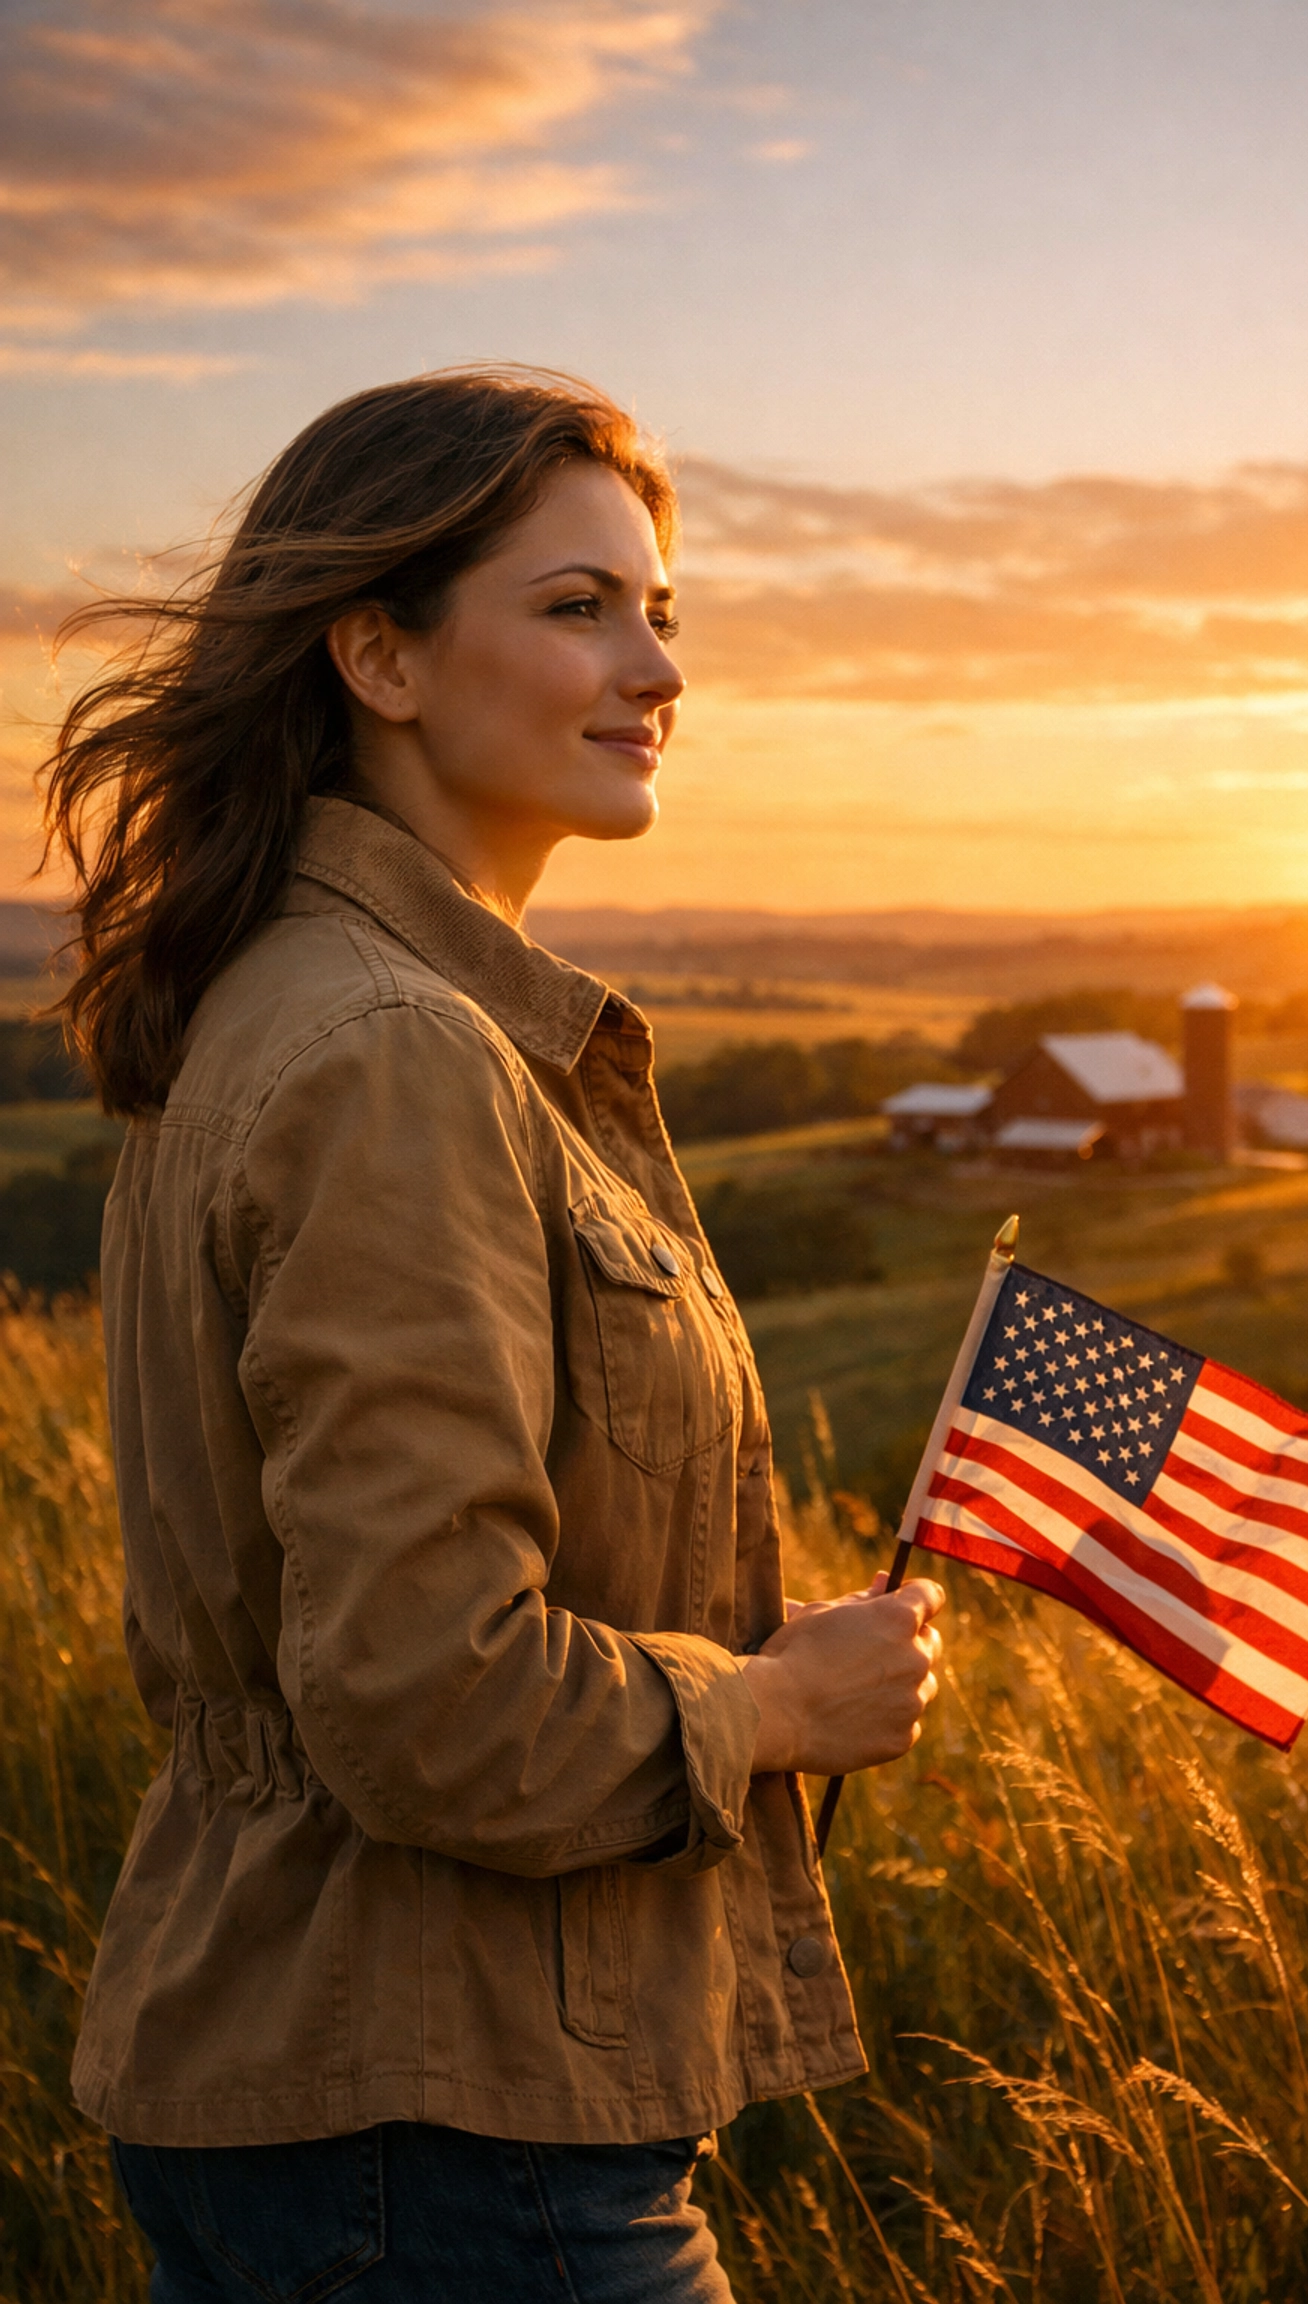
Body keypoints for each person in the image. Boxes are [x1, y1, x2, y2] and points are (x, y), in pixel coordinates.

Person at [46, 366, 945, 2302]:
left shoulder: (316, 1004)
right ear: (376, 654)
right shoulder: (392, 1054)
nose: (658, 669)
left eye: (662, 611)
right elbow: (428, 1695)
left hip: (356, 2112)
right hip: (446, 2150)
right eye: (576, 606)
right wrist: (776, 1709)